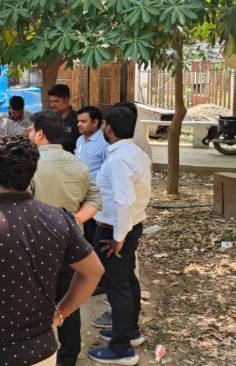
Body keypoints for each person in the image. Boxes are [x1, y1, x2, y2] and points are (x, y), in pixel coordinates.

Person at [0, 135, 104, 366]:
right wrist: (62, 311)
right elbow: (93, 271)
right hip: (42, 352)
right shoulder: (59, 219)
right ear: (31, 175)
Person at [27, 111, 102, 366]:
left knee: (36, 302)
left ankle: (38, 354)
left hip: (37, 246)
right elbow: (95, 199)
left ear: (40, 134)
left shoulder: (31, 165)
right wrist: (76, 220)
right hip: (71, 245)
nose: (29, 134)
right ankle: (68, 357)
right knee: (68, 302)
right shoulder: (77, 163)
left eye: (31, 130)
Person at [88, 106, 151, 365]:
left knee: (117, 287)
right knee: (127, 280)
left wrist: (118, 238)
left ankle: (121, 349)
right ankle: (129, 331)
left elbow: (124, 201)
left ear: (109, 129)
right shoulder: (135, 153)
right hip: (130, 225)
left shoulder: (118, 160)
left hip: (114, 231)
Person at [75, 106, 107, 181]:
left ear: (95, 122)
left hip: (95, 187)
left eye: (83, 121)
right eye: (78, 121)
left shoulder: (104, 143)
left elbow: (108, 171)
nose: (78, 124)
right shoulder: (80, 140)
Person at [48, 84, 80, 153]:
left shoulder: (78, 119)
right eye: (51, 101)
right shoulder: (48, 119)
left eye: (56, 101)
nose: (52, 105)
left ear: (66, 100)